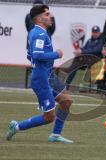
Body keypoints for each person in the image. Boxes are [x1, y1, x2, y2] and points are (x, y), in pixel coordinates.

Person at [6, 5, 73, 144]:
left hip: (47, 76)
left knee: (66, 100)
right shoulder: (40, 34)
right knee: (49, 117)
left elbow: (30, 55)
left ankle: (55, 135)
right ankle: (17, 126)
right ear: (39, 18)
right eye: (47, 14)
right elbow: (37, 55)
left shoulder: (35, 32)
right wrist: (57, 54)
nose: (51, 16)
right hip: (42, 80)